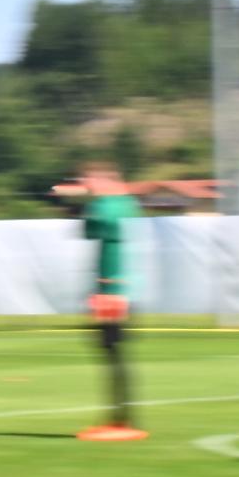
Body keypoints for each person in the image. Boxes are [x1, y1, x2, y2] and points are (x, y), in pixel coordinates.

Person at [73, 166, 145, 441]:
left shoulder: (103, 206)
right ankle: (121, 415)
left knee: (111, 354)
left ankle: (120, 417)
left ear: (105, 180)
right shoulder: (129, 205)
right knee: (116, 354)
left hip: (110, 291)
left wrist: (87, 203)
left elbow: (88, 231)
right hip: (123, 288)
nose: (87, 185)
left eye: (90, 180)